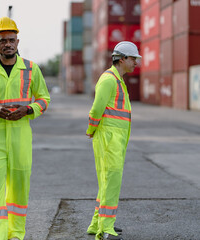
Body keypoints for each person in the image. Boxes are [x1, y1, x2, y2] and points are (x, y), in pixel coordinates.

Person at [0, 16, 50, 240]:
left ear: (17, 41)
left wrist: (29, 109)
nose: (8, 44)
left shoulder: (31, 69)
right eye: (3, 40)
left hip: (20, 138)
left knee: (19, 189)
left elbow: (44, 99)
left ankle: (16, 234)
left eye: (11, 40)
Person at [85, 41, 142, 240]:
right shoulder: (109, 79)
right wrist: (91, 129)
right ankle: (105, 228)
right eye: (133, 58)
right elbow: (96, 109)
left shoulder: (117, 80)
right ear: (123, 58)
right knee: (111, 181)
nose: (136, 62)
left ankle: (96, 224)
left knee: (106, 182)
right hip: (108, 138)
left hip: (113, 138)